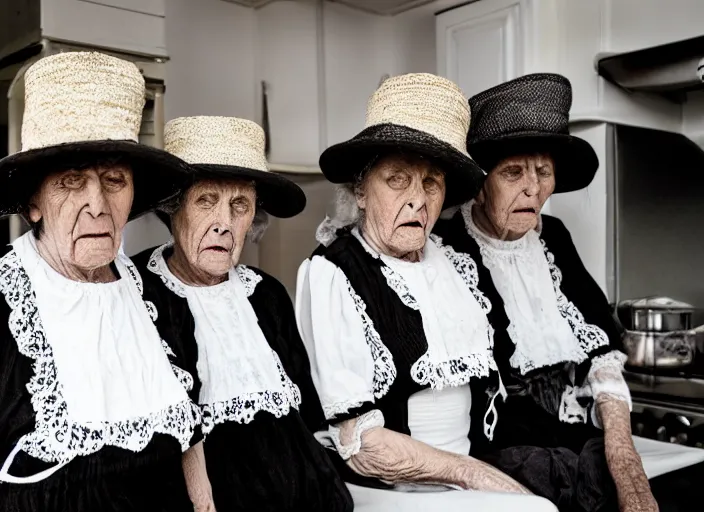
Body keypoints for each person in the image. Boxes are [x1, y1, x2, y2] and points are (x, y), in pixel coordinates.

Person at [433, 73, 704, 512]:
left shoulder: (553, 236)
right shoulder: (447, 246)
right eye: (514, 172)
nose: (534, 188)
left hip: (575, 440)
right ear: (481, 182)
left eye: (544, 172)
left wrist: (623, 454)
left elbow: (601, 351)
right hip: (498, 456)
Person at [295, 72, 558, 512]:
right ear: (360, 190)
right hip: (390, 491)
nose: (418, 200)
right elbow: (363, 444)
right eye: (398, 179)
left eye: (431, 183)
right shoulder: (330, 272)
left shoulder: (454, 262)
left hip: (469, 472)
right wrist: (476, 476)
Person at [0, 52, 201, 511]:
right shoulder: (5, 299)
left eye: (113, 180)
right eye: (72, 181)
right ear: (33, 203)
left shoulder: (156, 293)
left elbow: (190, 431)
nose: (97, 204)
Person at [133, 116, 353, 511]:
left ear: (253, 219)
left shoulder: (266, 293)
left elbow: (307, 415)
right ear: (173, 209)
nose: (223, 224)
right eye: (205, 201)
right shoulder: (137, 290)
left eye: (239, 206)